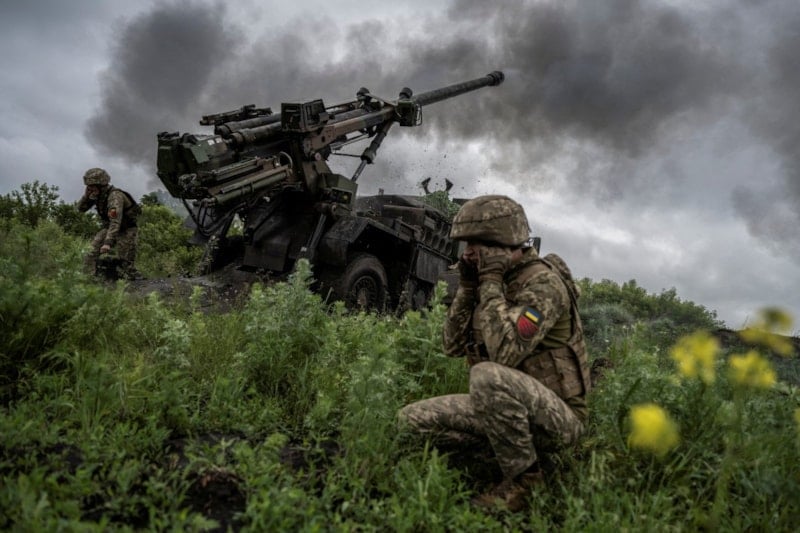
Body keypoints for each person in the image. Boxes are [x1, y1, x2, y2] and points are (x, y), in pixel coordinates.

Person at [398, 195, 591, 512]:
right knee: (410, 421)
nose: (468, 252)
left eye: (476, 244)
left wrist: (489, 282)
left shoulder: (543, 285)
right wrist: (468, 288)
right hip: (509, 410)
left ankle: (526, 481)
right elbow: (452, 346)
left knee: (486, 374)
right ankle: (502, 452)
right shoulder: (493, 280)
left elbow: (504, 355)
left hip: (558, 420)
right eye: (466, 244)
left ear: (504, 243)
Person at [77, 167, 141, 280]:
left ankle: (135, 283)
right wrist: (86, 196)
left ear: (100, 185)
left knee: (126, 265)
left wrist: (107, 243)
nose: (89, 188)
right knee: (91, 252)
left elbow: (115, 221)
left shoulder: (115, 196)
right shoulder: (98, 195)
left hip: (126, 229)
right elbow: (81, 209)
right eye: (88, 186)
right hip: (110, 228)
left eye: (92, 186)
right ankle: (88, 280)